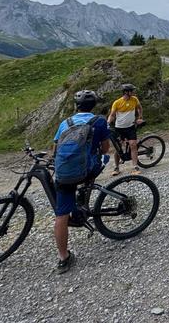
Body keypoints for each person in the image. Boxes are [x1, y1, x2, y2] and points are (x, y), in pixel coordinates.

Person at [52, 89, 111, 274]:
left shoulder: (65, 123)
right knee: (99, 163)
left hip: (65, 172)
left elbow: (55, 148)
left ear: (76, 106)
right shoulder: (99, 121)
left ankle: (63, 258)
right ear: (93, 106)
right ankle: (84, 199)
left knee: (61, 216)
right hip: (87, 170)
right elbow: (106, 148)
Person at [108, 83, 143, 175]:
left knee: (133, 145)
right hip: (119, 128)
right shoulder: (117, 102)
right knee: (118, 148)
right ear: (126, 92)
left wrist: (140, 117)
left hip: (130, 127)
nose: (133, 92)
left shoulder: (134, 99)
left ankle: (135, 166)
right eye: (132, 90)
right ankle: (116, 168)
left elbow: (139, 108)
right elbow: (112, 115)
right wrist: (107, 123)